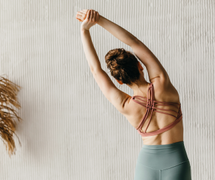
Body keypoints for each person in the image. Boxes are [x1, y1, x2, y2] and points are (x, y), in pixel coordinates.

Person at [76, 9, 192, 180]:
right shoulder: (161, 82)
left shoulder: (125, 105)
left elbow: (96, 70)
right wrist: (99, 20)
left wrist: (84, 31)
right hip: (176, 163)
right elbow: (133, 42)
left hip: (147, 165)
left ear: (119, 81)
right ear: (140, 66)